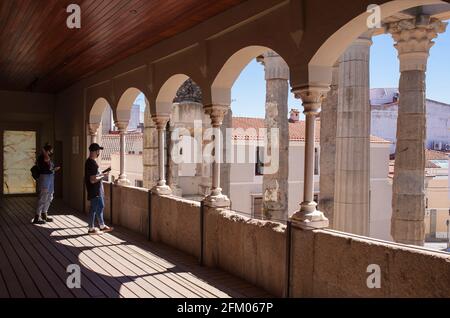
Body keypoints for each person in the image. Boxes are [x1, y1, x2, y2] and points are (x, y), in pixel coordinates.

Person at [85, 143, 113, 235]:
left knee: (93, 208)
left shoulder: (88, 161)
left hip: (92, 190)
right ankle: (102, 226)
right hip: (95, 190)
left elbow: (93, 176)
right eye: (98, 151)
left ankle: (91, 228)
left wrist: (101, 174)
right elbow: (93, 180)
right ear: (95, 151)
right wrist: (103, 177)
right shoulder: (93, 164)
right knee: (100, 207)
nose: (99, 152)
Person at [34, 143, 60, 224]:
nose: (52, 152)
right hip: (45, 178)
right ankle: (37, 217)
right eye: (50, 151)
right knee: (43, 196)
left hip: (50, 178)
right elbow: (46, 159)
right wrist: (44, 150)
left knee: (50, 195)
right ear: (46, 151)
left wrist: (54, 169)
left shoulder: (48, 157)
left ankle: (44, 213)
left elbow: (49, 167)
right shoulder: (42, 157)